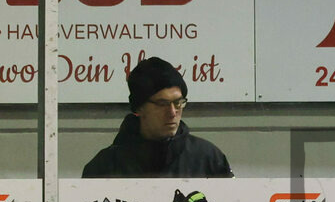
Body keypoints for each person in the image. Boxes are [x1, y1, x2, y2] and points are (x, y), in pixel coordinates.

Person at [82, 56, 232, 178]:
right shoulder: (104, 166)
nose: (172, 112)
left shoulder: (208, 158)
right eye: (162, 104)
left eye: (178, 103)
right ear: (139, 108)